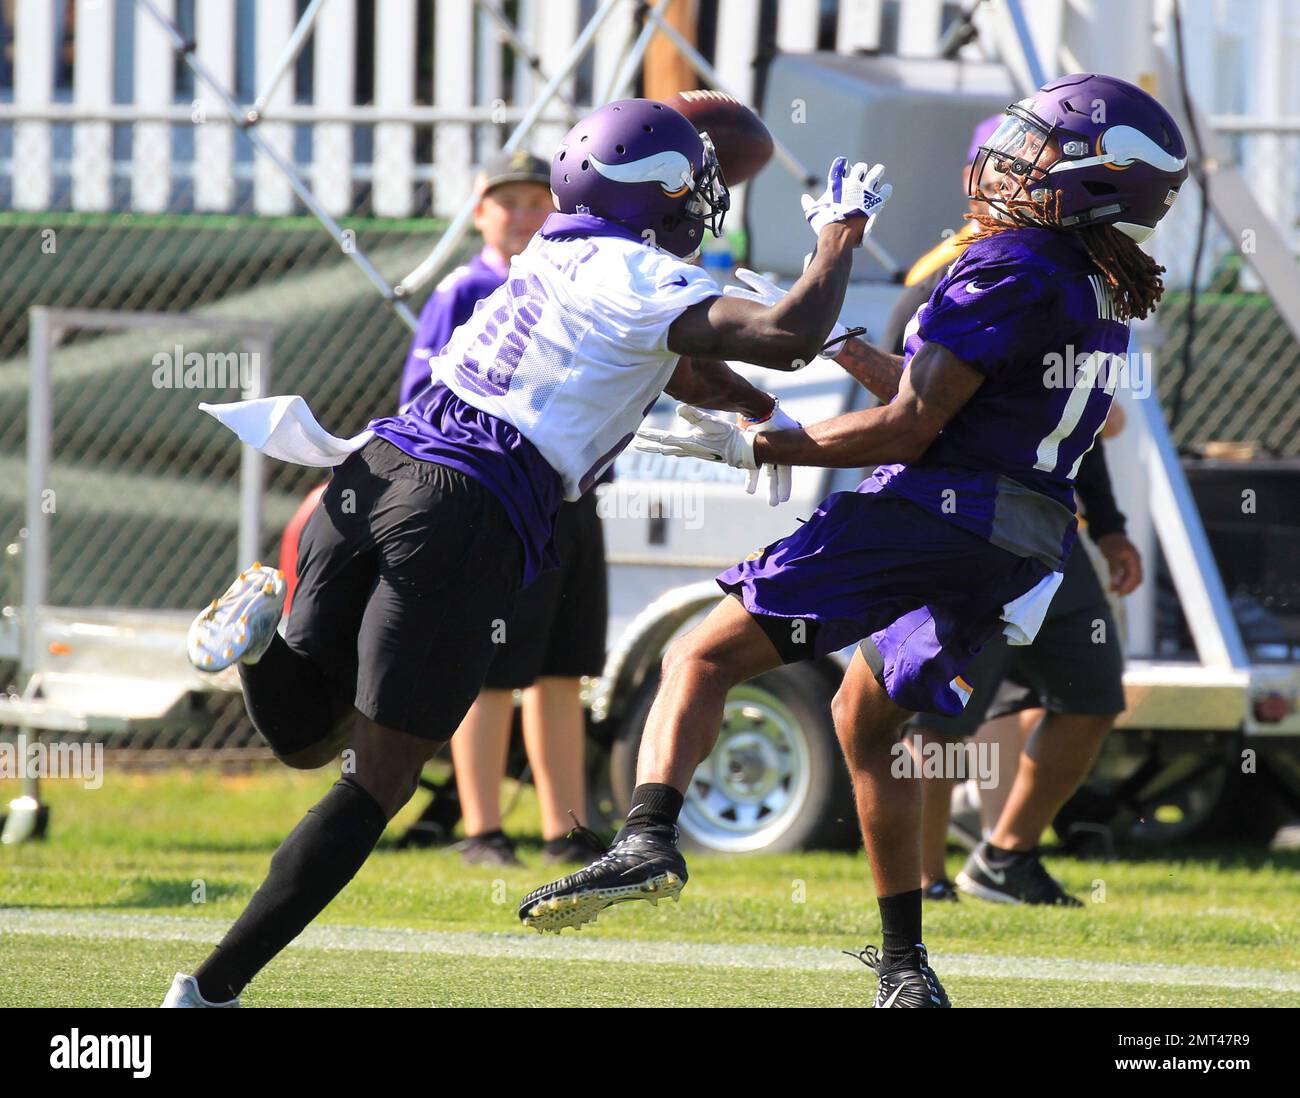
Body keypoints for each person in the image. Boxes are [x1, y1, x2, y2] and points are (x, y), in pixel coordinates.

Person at [164, 98, 886, 1007]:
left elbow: (675, 359)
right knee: (374, 786)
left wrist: (748, 409)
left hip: (376, 469)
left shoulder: (552, 245)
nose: (705, 198)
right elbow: (789, 335)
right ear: (656, 193)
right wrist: (840, 235)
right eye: (692, 185)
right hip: (464, 511)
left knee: (306, 738)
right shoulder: (637, 275)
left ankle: (261, 643)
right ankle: (210, 991)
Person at [520, 73, 1188, 1010]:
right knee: (868, 723)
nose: (1004, 164)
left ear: (1093, 175)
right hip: (1020, 539)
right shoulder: (1095, 278)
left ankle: (645, 839)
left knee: (698, 658)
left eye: (1033, 150)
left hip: (934, 511)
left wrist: (767, 442)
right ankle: (908, 970)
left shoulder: (1008, 264)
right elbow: (953, 407)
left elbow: (914, 429)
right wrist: (838, 347)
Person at [875, 118, 1143, 905]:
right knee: (939, 714)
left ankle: (1004, 857)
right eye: (1024, 167)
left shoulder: (1076, 273)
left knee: (1092, 695)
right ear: (984, 176)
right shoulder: (956, 272)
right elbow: (905, 410)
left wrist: (1113, 523)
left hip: (1049, 523)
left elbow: (1077, 427)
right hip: (962, 519)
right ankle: (924, 884)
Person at [400, 151, 603, 868]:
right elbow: (422, 401)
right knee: (491, 671)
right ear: (480, 212)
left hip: (571, 498)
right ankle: (481, 829)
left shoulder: (578, 287)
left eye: (535, 201)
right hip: (501, 501)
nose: (522, 215)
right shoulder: (467, 290)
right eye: (506, 201)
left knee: (560, 671)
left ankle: (565, 831)